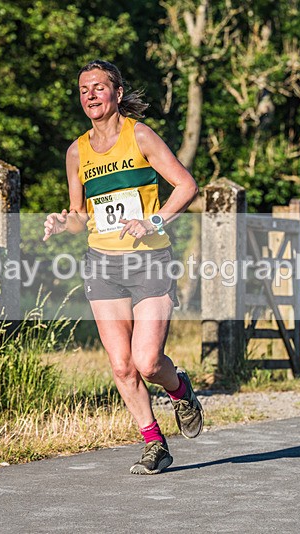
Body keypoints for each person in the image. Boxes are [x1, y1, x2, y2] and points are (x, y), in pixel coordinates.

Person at [43, 59, 203, 475]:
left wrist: (154, 221)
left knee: (147, 361)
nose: (90, 95)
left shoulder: (140, 136)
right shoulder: (76, 152)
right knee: (121, 365)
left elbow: (186, 186)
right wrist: (63, 222)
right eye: (84, 90)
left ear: (116, 93)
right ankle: (154, 443)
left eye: (98, 87)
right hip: (102, 265)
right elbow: (80, 216)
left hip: (149, 260)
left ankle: (180, 390)